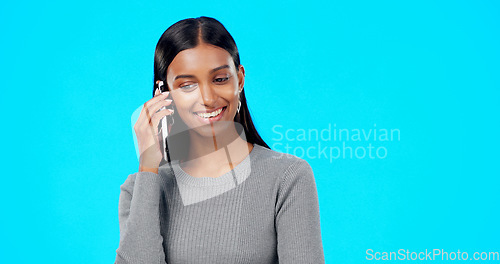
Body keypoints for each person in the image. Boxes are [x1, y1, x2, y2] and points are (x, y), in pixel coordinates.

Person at [115, 16, 325, 264]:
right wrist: (148, 167)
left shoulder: (287, 177)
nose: (207, 97)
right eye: (187, 85)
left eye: (220, 79)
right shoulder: (139, 189)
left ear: (240, 79)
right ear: (162, 94)